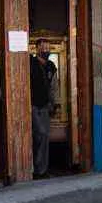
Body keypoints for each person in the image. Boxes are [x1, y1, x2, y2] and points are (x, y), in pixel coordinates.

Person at [30, 40, 58, 178]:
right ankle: (35, 169)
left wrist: (54, 103)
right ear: (37, 49)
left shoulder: (51, 66)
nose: (46, 50)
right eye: (43, 48)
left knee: (44, 136)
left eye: (48, 48)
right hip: (33, 106)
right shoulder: (31, 64)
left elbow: (53, 87)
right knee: (39, 134)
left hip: (45, 106)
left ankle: (41, 170)